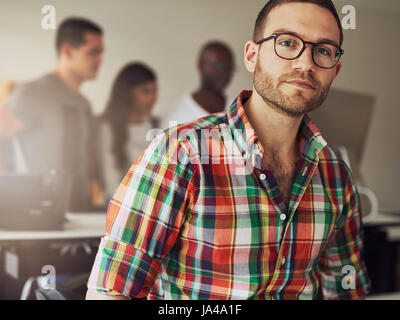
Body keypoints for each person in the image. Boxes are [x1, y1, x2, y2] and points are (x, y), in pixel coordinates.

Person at [86, 0, 370, 300]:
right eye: (287, 43)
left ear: (334, 72)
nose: (305, 63)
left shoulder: (335, 175)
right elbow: (111, 292)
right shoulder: (180, 153)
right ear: (251, 55)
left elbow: (345, 289)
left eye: (323, 50)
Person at [4, 17, 104, 211]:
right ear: (67, 51)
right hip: (39, 213)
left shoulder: (84, 104)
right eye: (94, 52)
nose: (100, 60)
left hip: (79, 210)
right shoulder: (33, 94)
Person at [97, 62, 159, 203]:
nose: (153, 98)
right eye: (145, 92)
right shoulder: (108, 129)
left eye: (155, 91)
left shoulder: (156, 126)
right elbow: (111, 183)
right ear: (127, 93)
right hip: (121, 208)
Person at [160, 41, 234, 129]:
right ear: (201, 65)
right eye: (220, 66)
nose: (225, 74)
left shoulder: (239, 109)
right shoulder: (176, 118)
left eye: (230, 68)